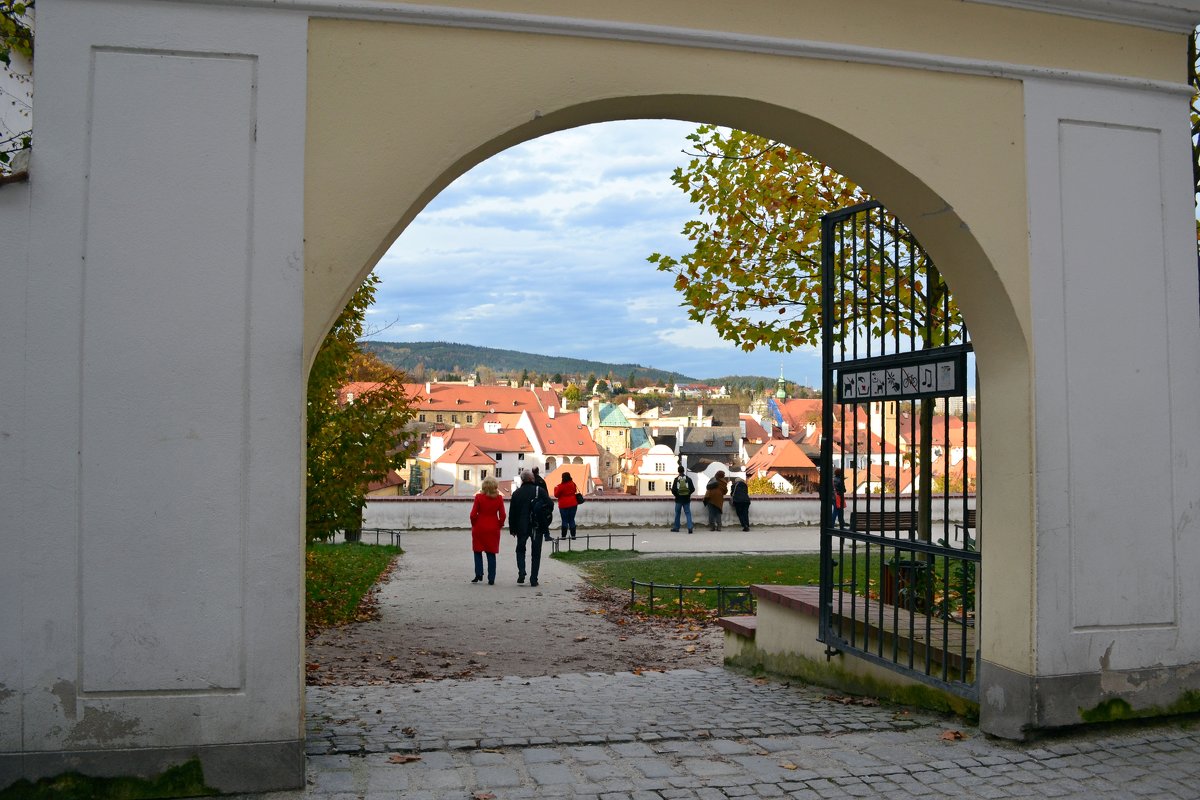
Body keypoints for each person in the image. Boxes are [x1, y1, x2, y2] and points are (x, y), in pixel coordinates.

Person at [508, 470, 545, 586]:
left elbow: (512, 513)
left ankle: (522, 572)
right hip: (536, 526)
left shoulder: (517, 493)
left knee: (520, 549)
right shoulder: (540, 491)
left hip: (521, 526)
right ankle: (534, 579)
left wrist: (512, 528)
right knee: (536, 553)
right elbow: (550, 505)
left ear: (522, 480)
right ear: (532, 479)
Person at [469, 475, 506, 584]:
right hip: (493, 528)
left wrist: (474, 524)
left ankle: (478, 574)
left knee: (477, 551)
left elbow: (472, 514)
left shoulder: (479, 497)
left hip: (479, 527)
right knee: (491, 553)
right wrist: (499, 525)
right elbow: (503, 515)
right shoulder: (499, 499)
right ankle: (491, 578)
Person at [553, 471, 579, 539]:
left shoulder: (560, 486)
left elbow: (556, 495)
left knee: (564, 520)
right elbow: (575, 491)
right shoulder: (573, 484)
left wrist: (555, 488)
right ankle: (573, 536)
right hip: (573, 503)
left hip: (563, 505)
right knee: (571, 519)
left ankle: (563, 536)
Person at [669, 466, 695, 534]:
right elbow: (692, 489)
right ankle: (690, 527)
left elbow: (674, 490)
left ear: (678, 471)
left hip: (678, 500)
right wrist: (688, 494)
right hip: (686, 499)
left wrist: (677, 495)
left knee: (677, 513)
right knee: (688, 513)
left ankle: (676, 528)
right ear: (684, 471)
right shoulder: (688, 479)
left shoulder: (676, 479)